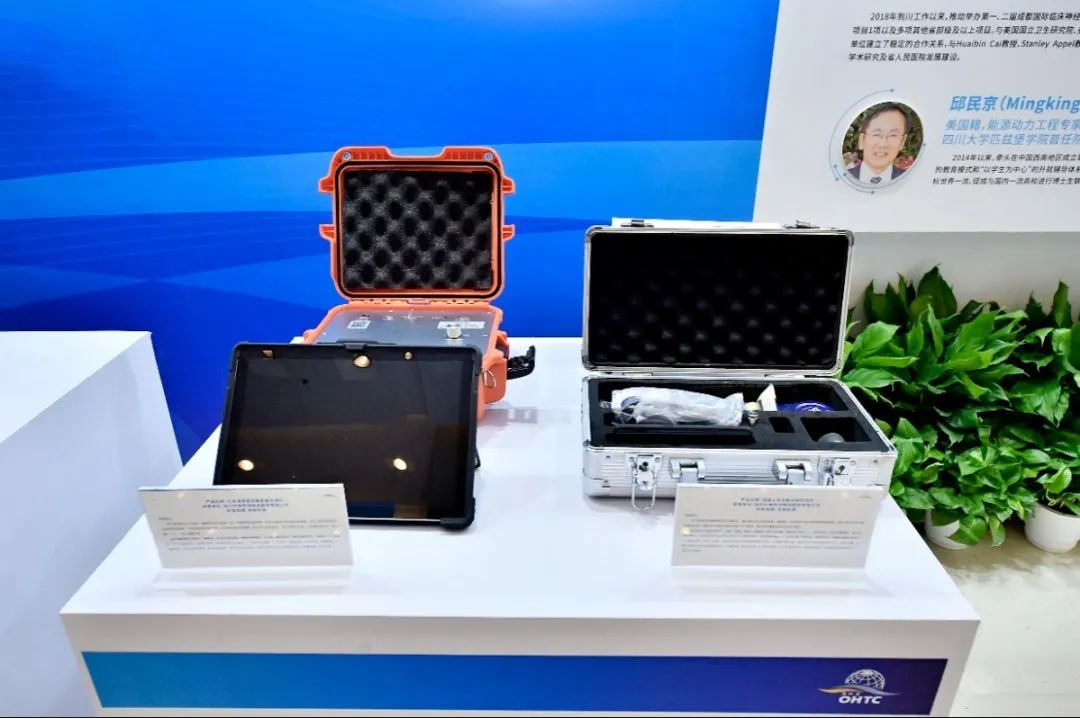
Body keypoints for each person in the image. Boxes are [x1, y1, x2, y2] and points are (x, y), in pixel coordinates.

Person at [847, 103, 912, 186]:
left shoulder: (912, 182)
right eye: (876, 134)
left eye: (893, 135)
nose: (883, 144)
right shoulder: (842, 179)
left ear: (902, 142)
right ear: (862, 140)